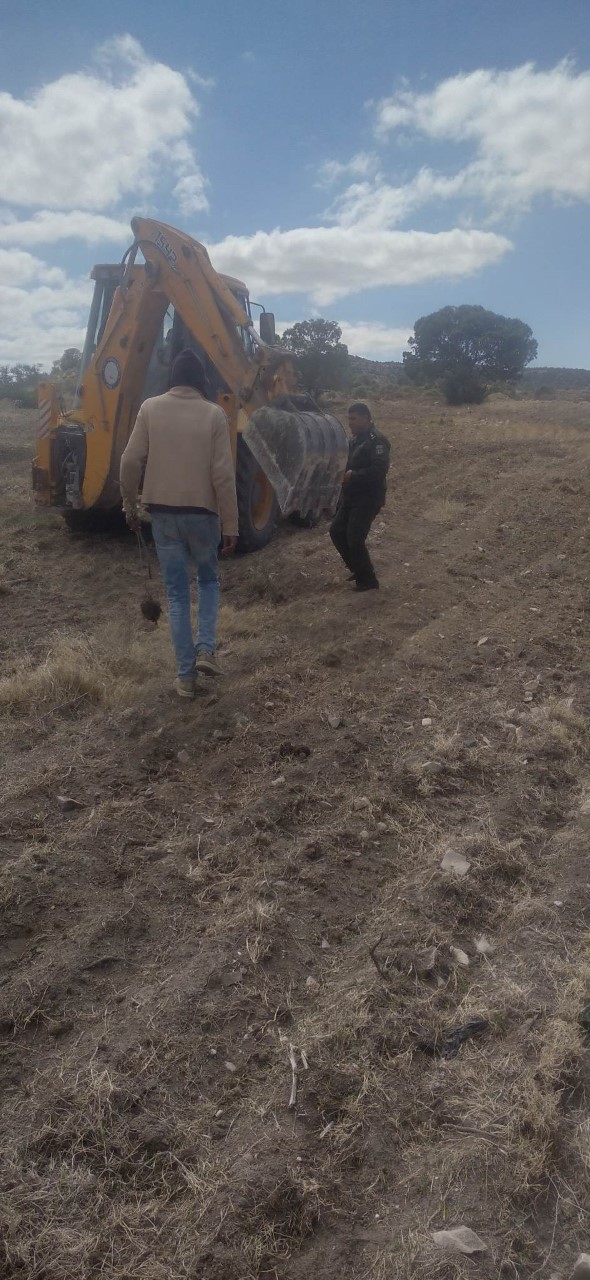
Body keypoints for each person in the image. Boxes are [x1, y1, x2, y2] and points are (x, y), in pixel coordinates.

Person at [120, 348, 239, 699]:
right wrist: (231, 524)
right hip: (203, 514)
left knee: (176, 594)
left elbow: (129, 461)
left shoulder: (150, 408)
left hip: (163, 515)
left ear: (172, 377)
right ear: (202, 380)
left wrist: (130, 506)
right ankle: (206, 650)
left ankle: (185, 678)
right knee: (208, 580)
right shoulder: (214, 414)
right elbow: (223, 475)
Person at [329, 402, 390, 591]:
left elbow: (378, 471)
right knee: (336, 531)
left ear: (366, 418)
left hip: (368, 498)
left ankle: (368, 581)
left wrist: (353, 475)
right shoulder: (355, 440)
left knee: (355, 539)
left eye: (353, 419)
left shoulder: (376, 441)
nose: (350, 423)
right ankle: (358, 568)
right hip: (351, 497)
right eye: (348, 419)